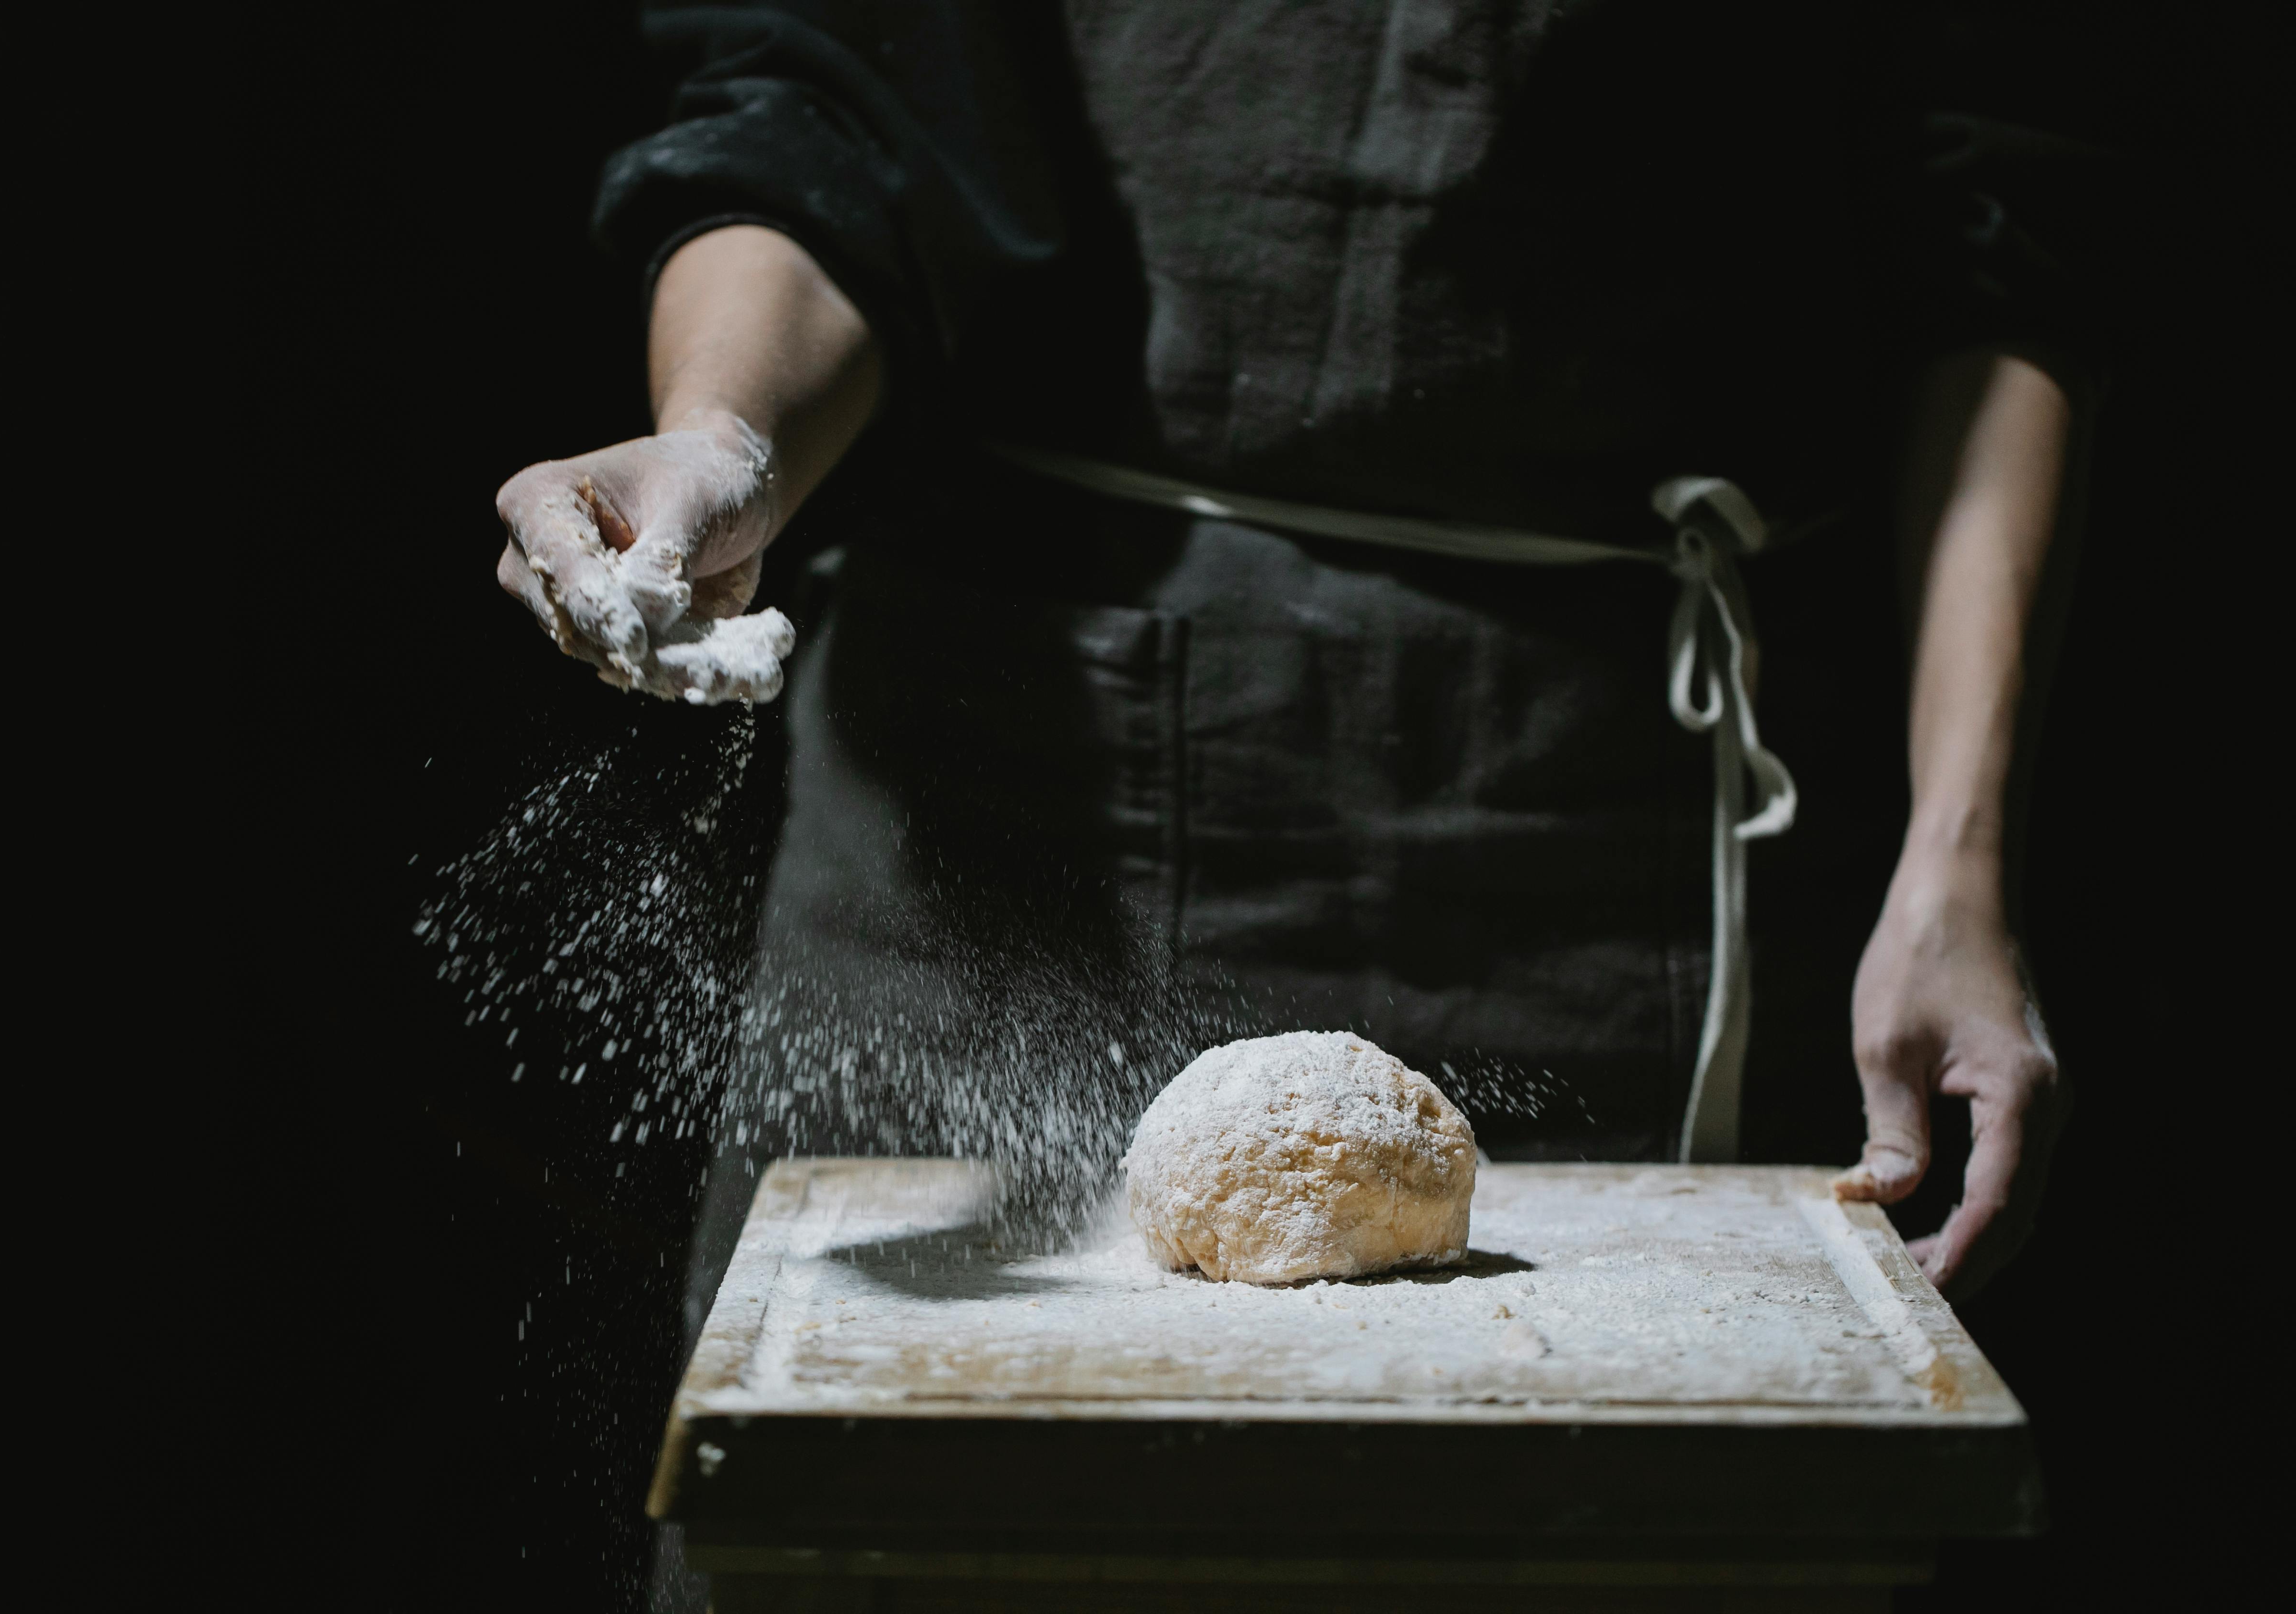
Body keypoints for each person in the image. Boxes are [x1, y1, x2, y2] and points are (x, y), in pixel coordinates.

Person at [488, 2, 2098, 1602]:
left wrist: (1959, 853)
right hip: (1007, 801)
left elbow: (1995, 229)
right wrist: (724, 436)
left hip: (1622, 827)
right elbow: (820, 95)